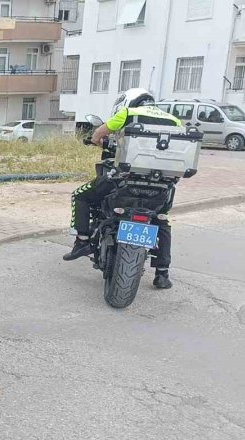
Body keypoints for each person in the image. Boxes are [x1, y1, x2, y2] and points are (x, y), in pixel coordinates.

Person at [63, 88, 181, 289]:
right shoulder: (174, 120)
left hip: (124, 182)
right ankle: (162, 273)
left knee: (80, 196)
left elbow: (98, 134)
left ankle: (82, 241)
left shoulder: (128, 113)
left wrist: (98, 142)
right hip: (161, 186)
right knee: (161, 220)